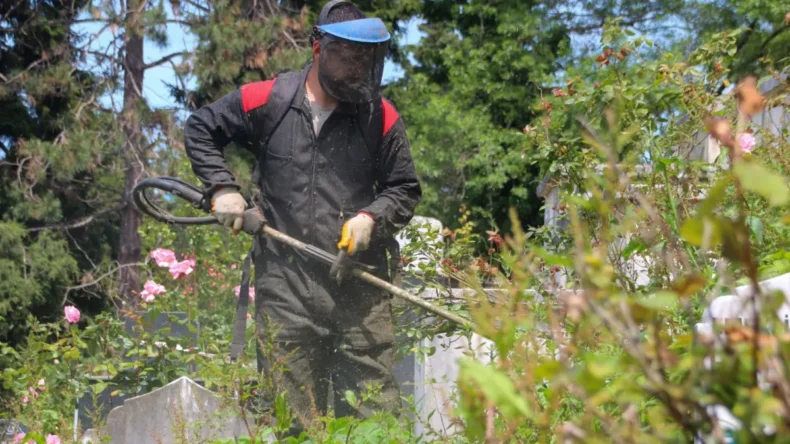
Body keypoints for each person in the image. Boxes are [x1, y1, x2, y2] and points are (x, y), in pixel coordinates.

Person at [182, 0, 422, 434]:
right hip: (285, 284)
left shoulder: (379, 115)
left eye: (364, 61)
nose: (356, 71)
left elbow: (404, 189)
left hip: (359, 289)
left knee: (373, 421)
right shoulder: (266, 99)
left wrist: (372, 216)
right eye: (347, 58)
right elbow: (201, 128)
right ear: (318, 50)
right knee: (293, 421)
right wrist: (222, 187)